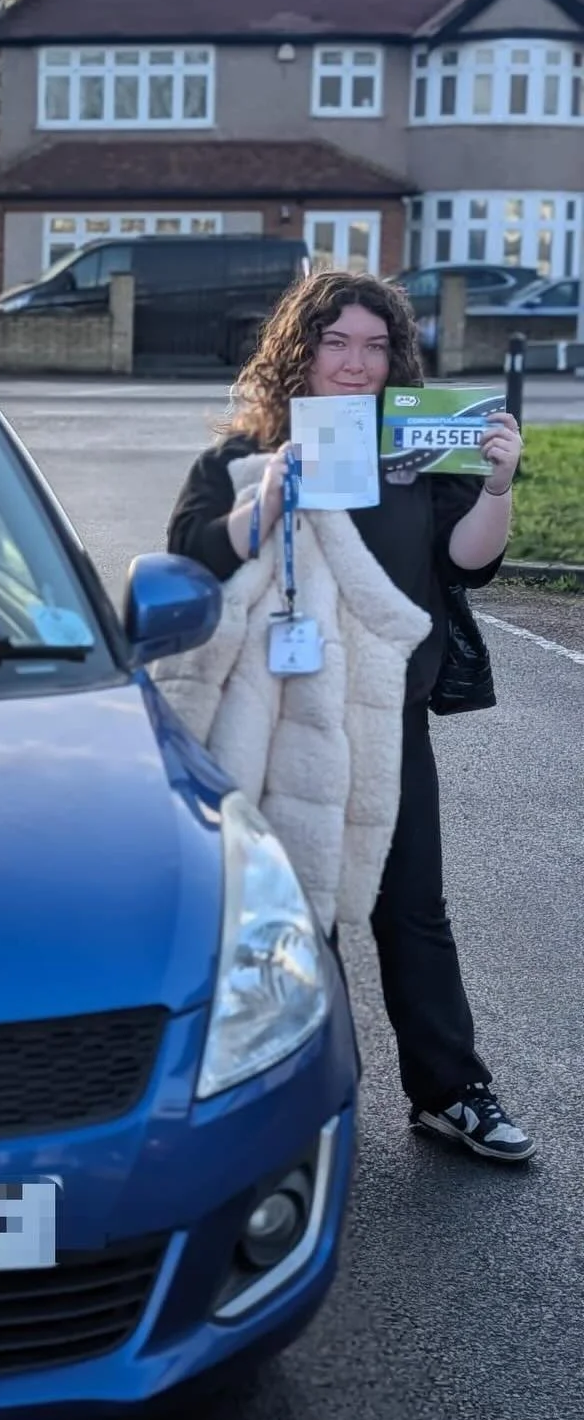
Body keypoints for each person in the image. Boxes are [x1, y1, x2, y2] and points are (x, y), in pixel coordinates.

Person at [164, 269, 533, 1163]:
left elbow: (467, 566)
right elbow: (192, 556)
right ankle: (299, 1097)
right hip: (274, 727)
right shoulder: (239, 457)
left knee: (412, 909)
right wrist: (271, 497)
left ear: (395, 357)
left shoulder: (415, 448)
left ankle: (452, 1091)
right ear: (303, 350)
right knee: (296, 918)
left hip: (387, 714)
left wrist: (497, 484)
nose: (357, 364)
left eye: (375, 346)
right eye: (337, 344)